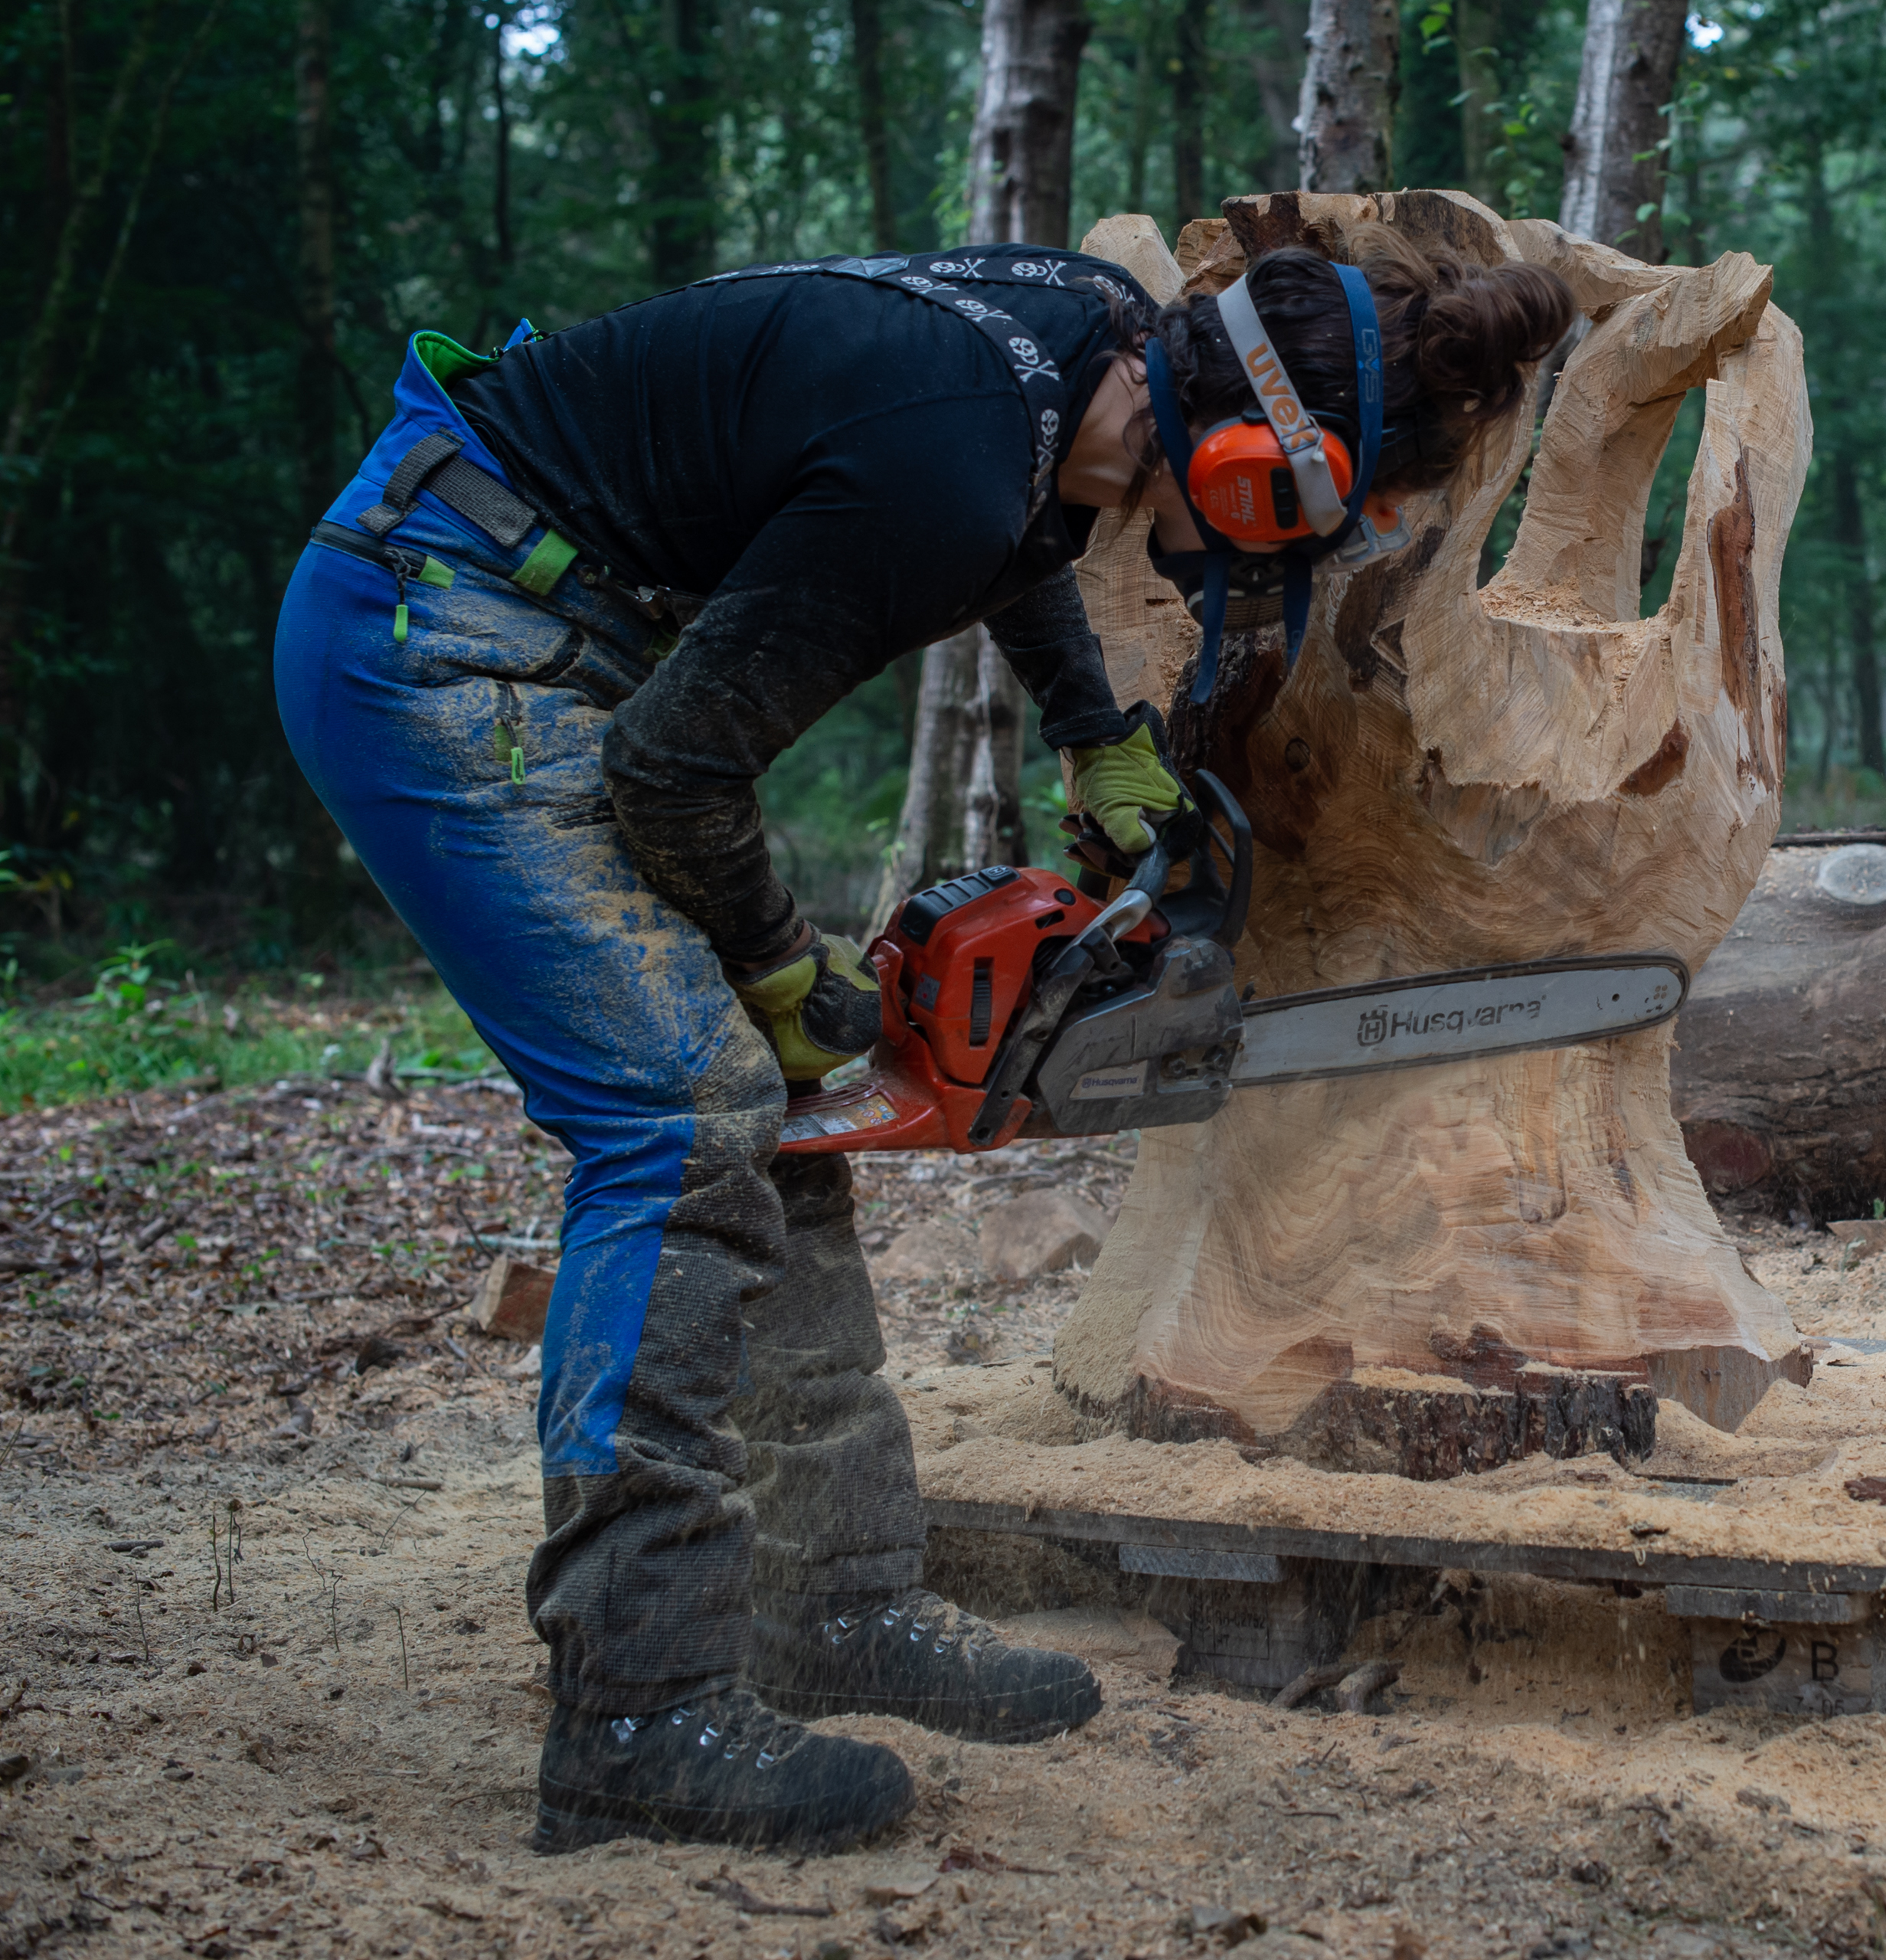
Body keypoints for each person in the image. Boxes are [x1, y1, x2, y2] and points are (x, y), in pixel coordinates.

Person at [273, 227, 1577, 1857]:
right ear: (1261, 472)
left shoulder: (1101, 335)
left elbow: (1023, 530)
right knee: (683, 1120)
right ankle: (632, 1707)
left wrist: (1096, 731)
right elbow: (680, 770)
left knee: (772, 1115)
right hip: (432, 637)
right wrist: (771, 961)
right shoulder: (945, 458)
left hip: (563, 621)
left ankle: (832, 1601)